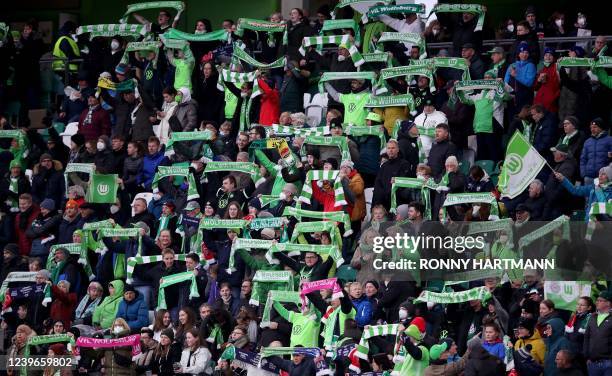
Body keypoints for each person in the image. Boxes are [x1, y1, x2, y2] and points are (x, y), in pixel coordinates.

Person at [582, 291, 612, 376]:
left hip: (609, 363)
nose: (597, 302)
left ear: (608, 303)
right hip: (593, 363)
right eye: (597, 300)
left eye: (600, 300)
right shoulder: (592, 317)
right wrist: (586, 356)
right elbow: (587, 337)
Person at [579, 118, 612, 186]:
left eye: (595, 127)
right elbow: (583, 159)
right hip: (588, 177)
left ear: (601, 128)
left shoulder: (610, 140)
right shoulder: (587, 142)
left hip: (604, 178)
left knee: (602, 196)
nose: (592, 129)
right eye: (591, 127)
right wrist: (584, 174)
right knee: (589, 196)